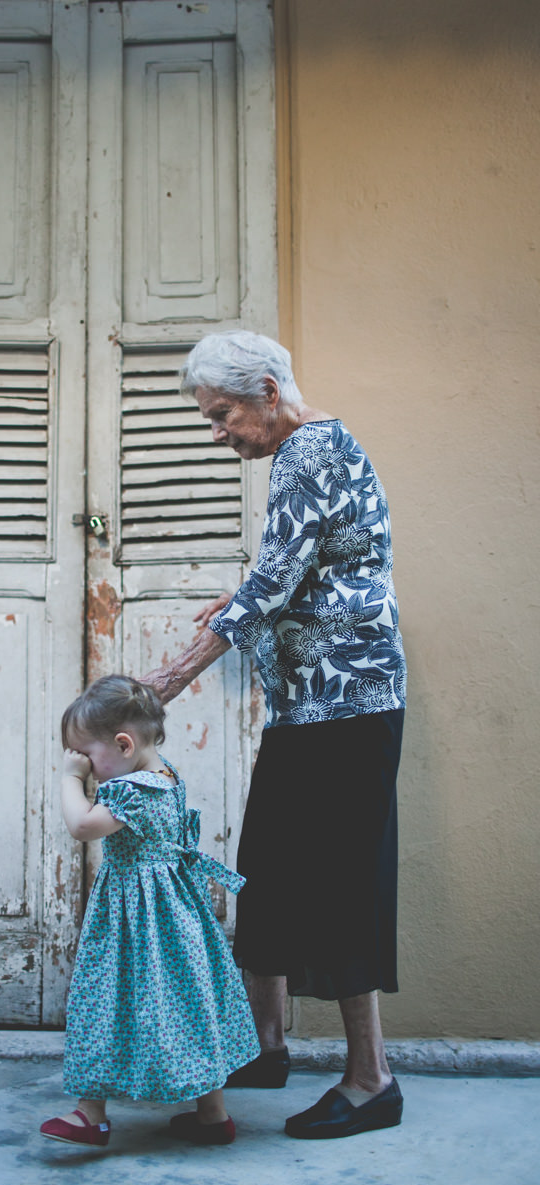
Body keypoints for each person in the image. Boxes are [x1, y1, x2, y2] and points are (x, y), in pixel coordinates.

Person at [141, 330, 407, 1140]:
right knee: (270, 869)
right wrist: (241, 599)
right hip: (311, 705)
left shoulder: (308, 449)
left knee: (341, 882)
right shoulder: (309, 451)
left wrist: (167, 679)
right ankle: (266, 1047)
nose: (217, 432)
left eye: (222, 415)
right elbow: (304, 566)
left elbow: (279, 577)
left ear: (265, 390)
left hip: (348, 705)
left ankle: (371, 1082)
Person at [40, 675, 260, 1148]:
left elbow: (81, 825)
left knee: (106, 1000)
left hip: (134, 918)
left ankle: (90, 1114)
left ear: (123, 744)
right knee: (188, 1002)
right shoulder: (167, 776)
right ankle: (212, 1115)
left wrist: (68, 779)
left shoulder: (132, 790)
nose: (87, 768)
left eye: (89, 756)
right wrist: (87, 770)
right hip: (176, 914)